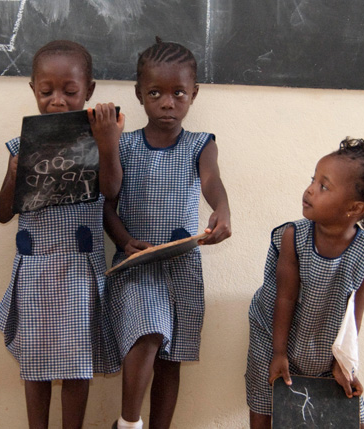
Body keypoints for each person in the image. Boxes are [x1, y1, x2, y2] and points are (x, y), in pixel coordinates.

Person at [0, 40, 124, 429]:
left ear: (90, 91)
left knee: (77, 365)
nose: (57, 101)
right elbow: (1, 213)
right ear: (33, 89)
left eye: (70, 91)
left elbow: (112, 191)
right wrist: (15, 175)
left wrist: (107, 143)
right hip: (35, 271)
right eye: (46, 91)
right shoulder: (22, 145)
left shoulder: (99, 141)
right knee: (34, 365)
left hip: (79, 272)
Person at [105, 38, 232, 429]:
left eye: (178, 93)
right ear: (139, 94)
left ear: (193, 94)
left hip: (181, 264)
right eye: (155, 93)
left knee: (171, 356)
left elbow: (212, 181)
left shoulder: (200, 145)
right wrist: (124, 241)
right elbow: (106, 202)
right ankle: (129, 423)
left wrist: (222, 209)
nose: (167, 103)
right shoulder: (123, 145)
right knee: (148, 333)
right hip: (136, 263)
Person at [245, 137, 364, 429]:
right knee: (266, 401)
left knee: (355, 417)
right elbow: (285, 297)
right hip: (274, 332)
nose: (310, 190)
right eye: (313, 180)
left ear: (354, 209)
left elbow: (354, 317)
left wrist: (344, 364)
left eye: (324, 186)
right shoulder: (294, 236)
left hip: (324, 340)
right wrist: (279, 353)